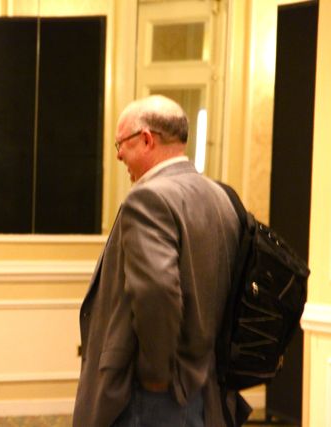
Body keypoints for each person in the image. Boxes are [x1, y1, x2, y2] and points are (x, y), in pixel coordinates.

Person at [73, 95, 241, 426]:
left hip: (154, 397)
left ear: (147, 139)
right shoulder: (222, 196)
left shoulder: (148, 198)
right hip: (206, 388)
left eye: (121, 144)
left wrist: (156, 374)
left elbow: (156, 292)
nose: (118, 155)